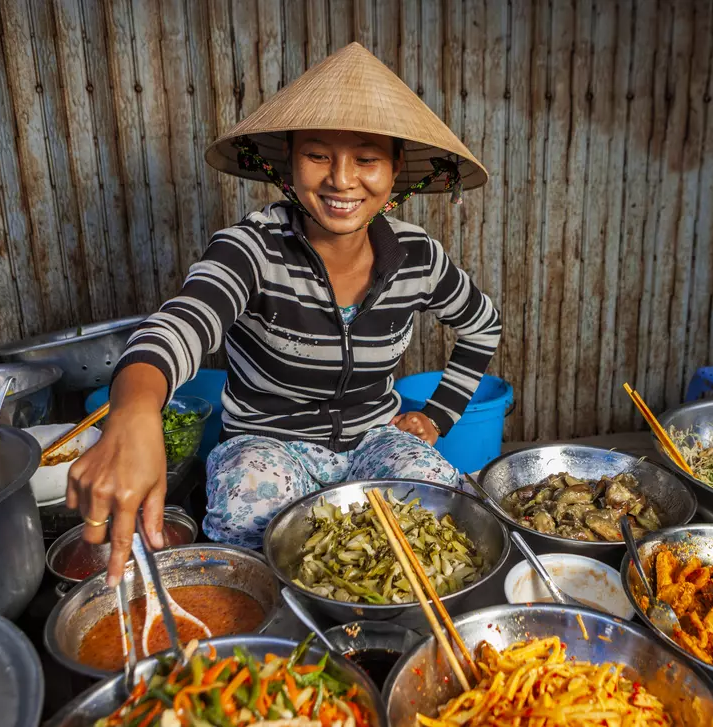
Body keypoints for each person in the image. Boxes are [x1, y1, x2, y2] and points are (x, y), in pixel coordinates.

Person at [67, 42, 500, 586]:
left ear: (395, 173)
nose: (341, 180)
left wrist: (437, 416)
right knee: (254, 521)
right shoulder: (250, 248)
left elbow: (484, 323)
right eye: (318, 155)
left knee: (441, 515)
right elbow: (180, 324)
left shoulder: (418, 258)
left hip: (375, 439)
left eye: (366, 159)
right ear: (289, 165)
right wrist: (133, 414)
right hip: (265, 445)